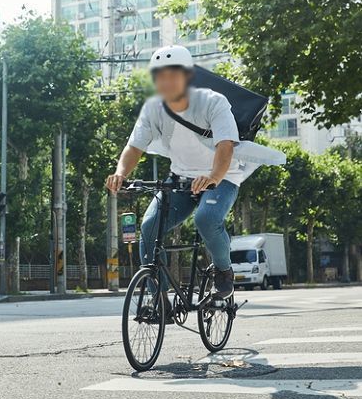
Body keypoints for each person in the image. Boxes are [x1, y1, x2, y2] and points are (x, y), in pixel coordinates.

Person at [105, 45, 285, 302]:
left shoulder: (213, 102)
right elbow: (134, 147)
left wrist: (213, 176)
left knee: (207, 219)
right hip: (181, 179)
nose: (165, 81)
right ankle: (160, 298)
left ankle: (224, 271)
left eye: (172, 74)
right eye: (159, 75)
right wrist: (120, 173)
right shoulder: (153, 108)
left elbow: (225, 146)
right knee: (148, 228)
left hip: (221, 178)